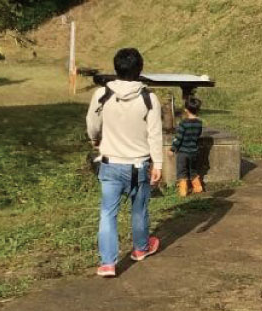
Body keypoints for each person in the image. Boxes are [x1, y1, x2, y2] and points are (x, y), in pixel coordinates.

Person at [85, 47, 163, 278]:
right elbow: (155, 134)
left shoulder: (101, 94)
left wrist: (95, 139)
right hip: (139, 165)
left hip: (110, 164)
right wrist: (157, 163)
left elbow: (92, 123)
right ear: (140, 69)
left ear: (116, 68)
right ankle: (140, 248)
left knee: (107, 213)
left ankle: (108, 263)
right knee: (139, 211)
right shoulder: (149, 98)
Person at [171, 95, 204, 197]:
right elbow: (198, 136)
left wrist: (172, 149)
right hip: (194, 151)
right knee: (193, 170)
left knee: (182, 171)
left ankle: (183, 191)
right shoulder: (199, 123)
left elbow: (178, 138)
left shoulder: (183, 123)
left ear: (186, 110)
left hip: (183, 152)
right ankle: (198, 187)